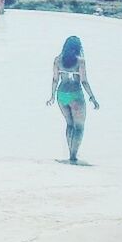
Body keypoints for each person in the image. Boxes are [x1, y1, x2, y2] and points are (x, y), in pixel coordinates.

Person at [46, 35, 100, 164]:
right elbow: (84, 81)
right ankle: (73, 156)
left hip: (61, 94)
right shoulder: (80, 61)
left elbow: (55, 79)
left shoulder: (58, 60)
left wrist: (52, 96)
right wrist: (92, 97)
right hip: (75, 94)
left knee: (69, 124)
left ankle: (70, 151)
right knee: (79, 127)